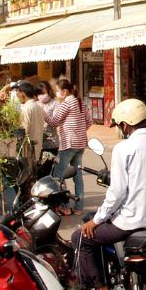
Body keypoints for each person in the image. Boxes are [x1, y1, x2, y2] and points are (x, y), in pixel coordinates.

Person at [74, 98, 146, 290]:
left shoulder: (124, 148)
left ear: (125, 125)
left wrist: (96, 220)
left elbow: (117, 192)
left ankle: (101, 289)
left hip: (130, 224)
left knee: (81, 237)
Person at [46, 78, 90, 212]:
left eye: (57, 92)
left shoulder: (66, 104)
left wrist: (43, 114)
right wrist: (79, 129)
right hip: (81, 143)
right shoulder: (80, 102)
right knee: (78, 175)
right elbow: (89, 121)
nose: (56, 95)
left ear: (64, 92)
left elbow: (54, 122)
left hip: (69, 143)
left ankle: (63, 206)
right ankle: (79, 207)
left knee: (58, 175)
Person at [12, 81, 46, 162]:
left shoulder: (27, 108)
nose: (17, 96)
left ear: (23, 93)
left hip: (28, 149)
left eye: (18, 93)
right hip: (37, 148)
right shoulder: (38, 107)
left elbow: (24, 130)